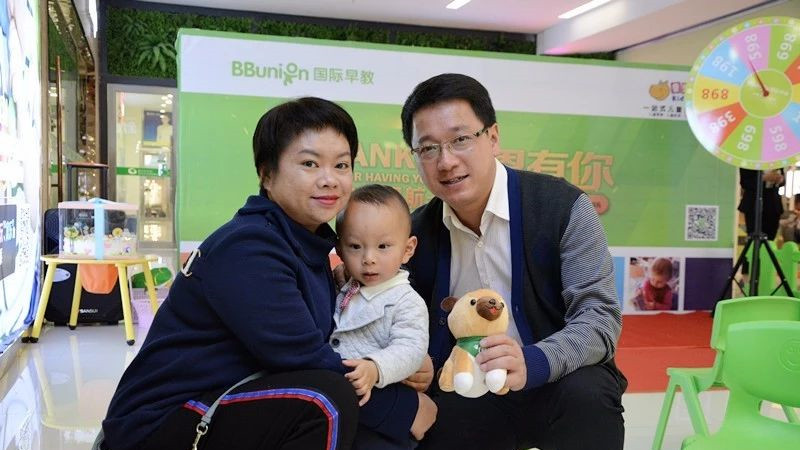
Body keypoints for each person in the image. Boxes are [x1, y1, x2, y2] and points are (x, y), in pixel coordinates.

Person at [98, 97, 405, 450]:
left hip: (225, 397)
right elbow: (305, 357)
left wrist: (394, 365)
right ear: (267, 175)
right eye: (309, 163)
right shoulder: (249, 246)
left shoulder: (306, 242)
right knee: (327, 399)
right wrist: (404, 408)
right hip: (159, 422)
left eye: (341, 165)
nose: (329, 180)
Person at [400, 73, 626, 450]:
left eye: (460, 139)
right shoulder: (414, 236)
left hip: (557, 378)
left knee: (589, 395)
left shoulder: (563, 208)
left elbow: (599, 319)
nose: (446, 161)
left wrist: (532, 361)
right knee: (429, 422)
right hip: (470, 388)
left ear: (492, 137)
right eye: (428, 148)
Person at [333, 183, 435, 446]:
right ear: (340, 250)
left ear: (408, 249)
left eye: (383, 246)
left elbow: (411, 349)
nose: (369, 258)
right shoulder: (344, 288)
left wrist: (375, 367)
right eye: (355, 246)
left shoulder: (406, 301)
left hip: (383, 418)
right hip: (346, 412)